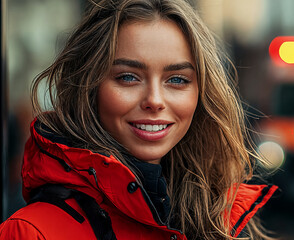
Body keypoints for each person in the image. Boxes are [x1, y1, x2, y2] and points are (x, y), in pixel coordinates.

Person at [0, 0, 277, 239]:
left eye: (177, 79)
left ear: (201, 94)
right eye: (128, 77)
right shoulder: (31, 232)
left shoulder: (219, 222)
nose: (155, 100)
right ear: (89, 87)